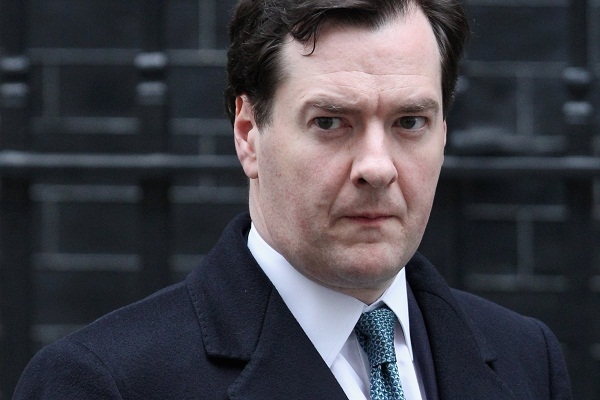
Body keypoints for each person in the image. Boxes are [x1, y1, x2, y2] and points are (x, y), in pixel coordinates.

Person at [14, 0, 571, 399]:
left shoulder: (527, 358)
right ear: (248, 135)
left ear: (443, 133)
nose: (377, 167)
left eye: (409, 122)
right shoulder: (104, 382)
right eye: (329, 122)